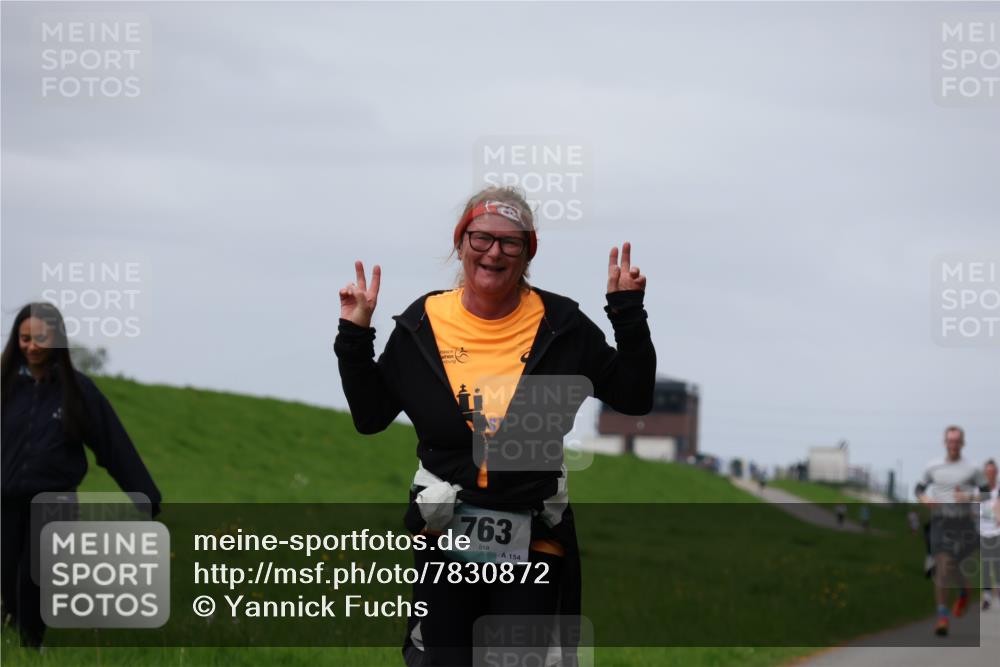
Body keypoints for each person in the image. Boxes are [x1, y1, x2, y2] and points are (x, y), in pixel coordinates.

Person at [334, 186, 655, 666]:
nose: (494, 253)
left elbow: (633, 396)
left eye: (511, 242)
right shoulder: (423, 322)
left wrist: (628, 315)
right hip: (445, 533)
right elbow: (370, 416)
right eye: (481, 238)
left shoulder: (561, 325)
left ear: (528, 254)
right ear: (461, 243)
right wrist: (354, 335)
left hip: (533, 533)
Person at [1, 302, 161, 647]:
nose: (31, 346)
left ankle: (31, 645)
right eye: (24, 338)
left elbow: (113, 445)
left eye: (39, 338)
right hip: (6, 498)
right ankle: (11, 636)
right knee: (5, 576)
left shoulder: (78, 391)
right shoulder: (4, 387)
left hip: (54, 501)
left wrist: (144, 495)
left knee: (36, 576)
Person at [914, 425, 991, 636]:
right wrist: (925, 498)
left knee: (952, 565)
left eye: (957, 441)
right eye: (950, 441)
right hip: (941, 521)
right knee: (942, 566)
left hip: (964, 523)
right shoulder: (933, 467)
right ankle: (942, 616)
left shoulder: (973, 468)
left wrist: (968, 497)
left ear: (962, 443)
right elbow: (918, 488)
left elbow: (986, 494)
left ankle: (965, 589)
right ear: (945, 442)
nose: (953, 445)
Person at [980, 459, 1000, 611]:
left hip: (998, 531)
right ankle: (986, 597)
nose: (990, 474)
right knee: (986, 565)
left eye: (992, 471)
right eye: (988, 471)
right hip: (984, 532)